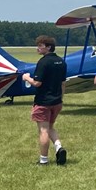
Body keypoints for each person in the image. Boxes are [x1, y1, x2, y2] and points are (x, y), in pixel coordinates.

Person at [21, 35, 68, 165]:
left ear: (48, 47)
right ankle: (59, 147)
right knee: (50, 127)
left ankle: (43, 160)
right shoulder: (61, 62)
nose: (38, 48)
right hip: (57, 101)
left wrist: (26, 78)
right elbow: (63, 83)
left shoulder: (43, 62)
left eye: (40, 46)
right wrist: (61, 98)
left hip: (43, 101)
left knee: (43, 130)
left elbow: (37, 83)